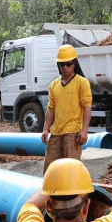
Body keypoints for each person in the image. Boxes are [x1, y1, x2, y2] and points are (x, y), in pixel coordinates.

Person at [41, 45, 92, 173]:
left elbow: (86, 107)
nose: (65, 67)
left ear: (74, 64)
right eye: (62, 64)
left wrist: (84, 130)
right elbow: (51, 109)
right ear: (58, 65)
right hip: (56, 133)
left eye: (68, 64)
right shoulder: (54, 85)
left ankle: (74, 193)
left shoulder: (82, 82)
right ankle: (51, 192)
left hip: (72, 133)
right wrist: (46, 129)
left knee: (71, 171)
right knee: (50, 170)